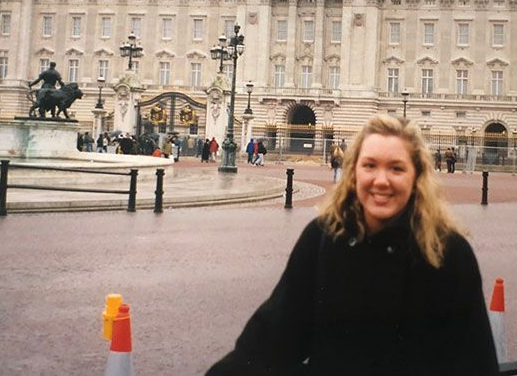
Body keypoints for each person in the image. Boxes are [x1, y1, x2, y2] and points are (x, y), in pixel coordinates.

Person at [207, 115, 499, 375]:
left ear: (416, 177)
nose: (380, 180)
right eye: (370, 165)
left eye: (396, 169)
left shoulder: (449, 251)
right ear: (354, 172)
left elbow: (474, 360)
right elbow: (272, 339)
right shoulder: (323, 237)